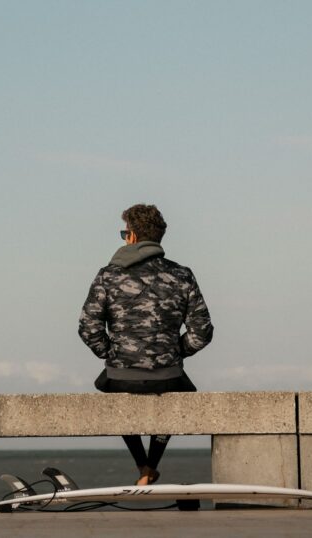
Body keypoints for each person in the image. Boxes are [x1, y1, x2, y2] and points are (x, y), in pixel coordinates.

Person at [78, 203, 214, 486]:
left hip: (121, 375)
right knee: (180, 392)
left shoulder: (108, 275)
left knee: (114, 391)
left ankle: (143, 466)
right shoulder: (182, 275)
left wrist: (113, 354)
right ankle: (150, 466)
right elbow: (202, 332)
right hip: (167, 374)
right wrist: (175, 352)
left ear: (131, 237)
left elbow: (88, 328)